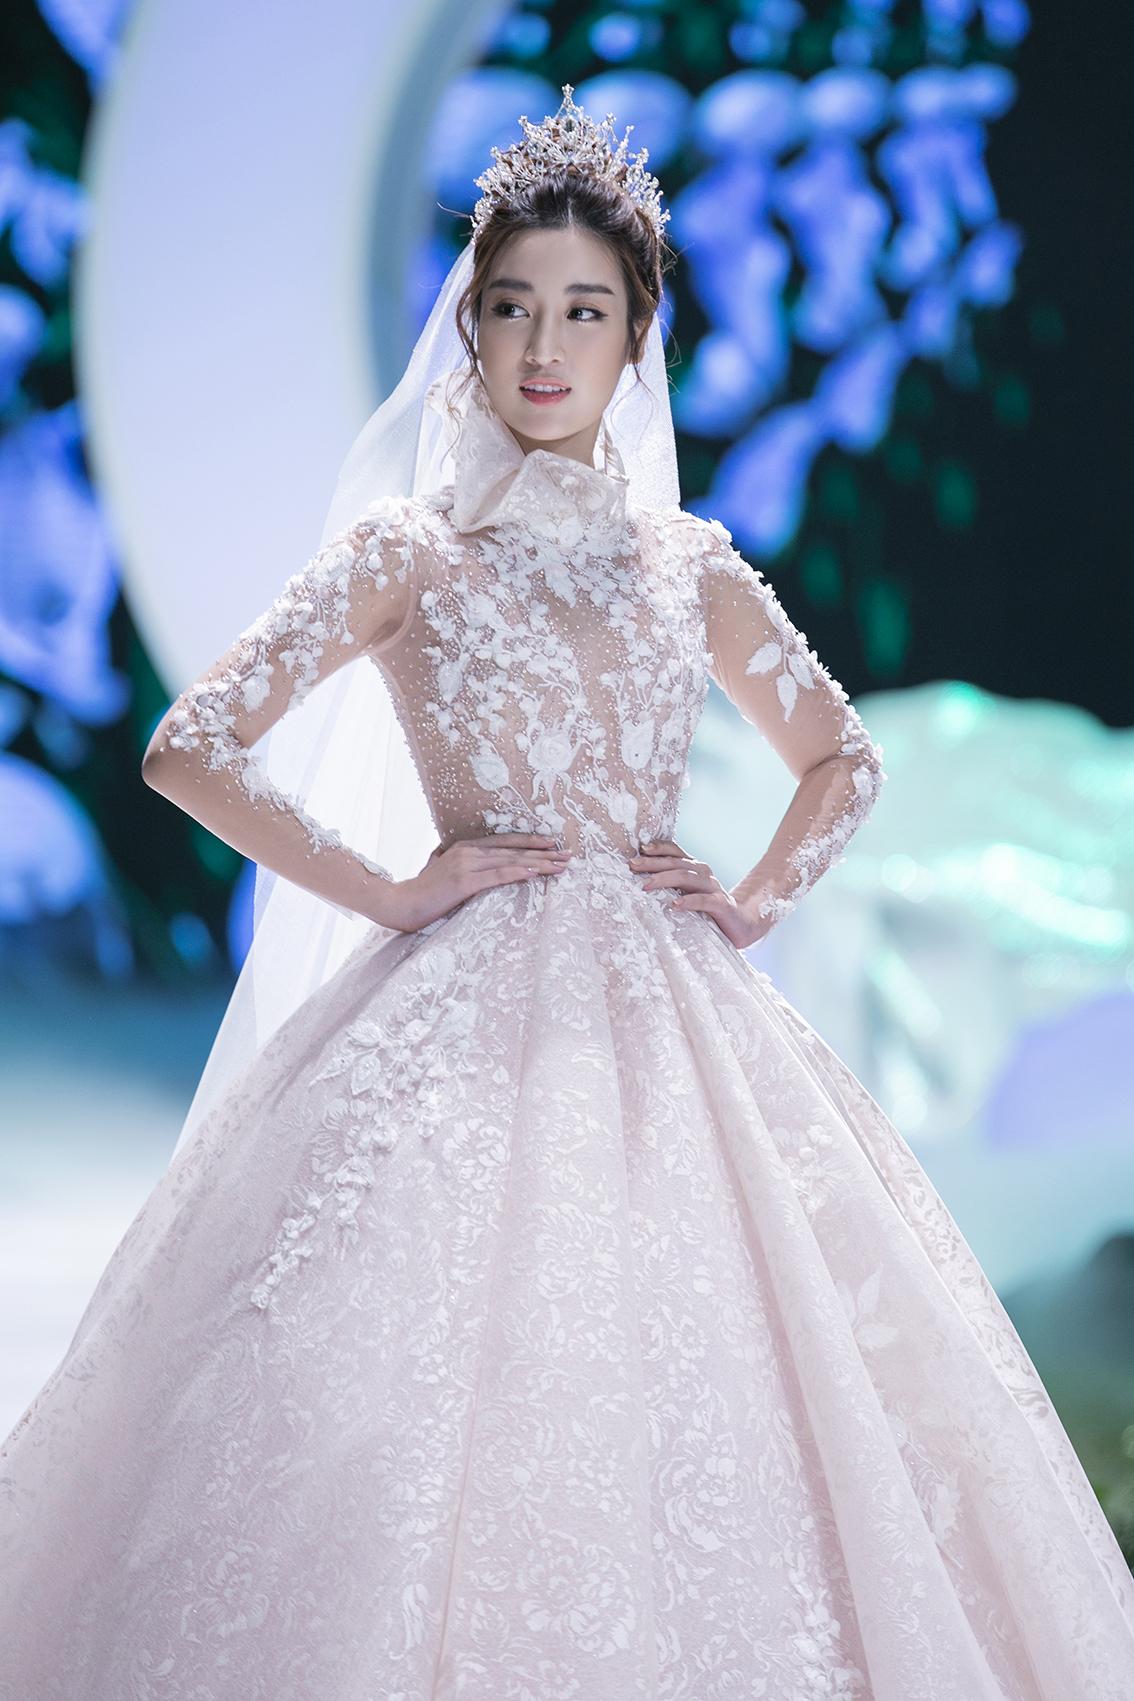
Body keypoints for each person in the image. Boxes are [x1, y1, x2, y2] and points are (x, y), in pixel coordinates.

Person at [2, 85, 1133, 1701]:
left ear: (636, 335)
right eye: (511, 306)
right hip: (450, 1021)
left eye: (583, 311)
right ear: (467, 329)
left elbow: (842, 758)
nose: (543, 345)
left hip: (674, 1020)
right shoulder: (406, 552)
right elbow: (190, 746)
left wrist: (751, 897)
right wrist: (393, 890)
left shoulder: (689, 563)